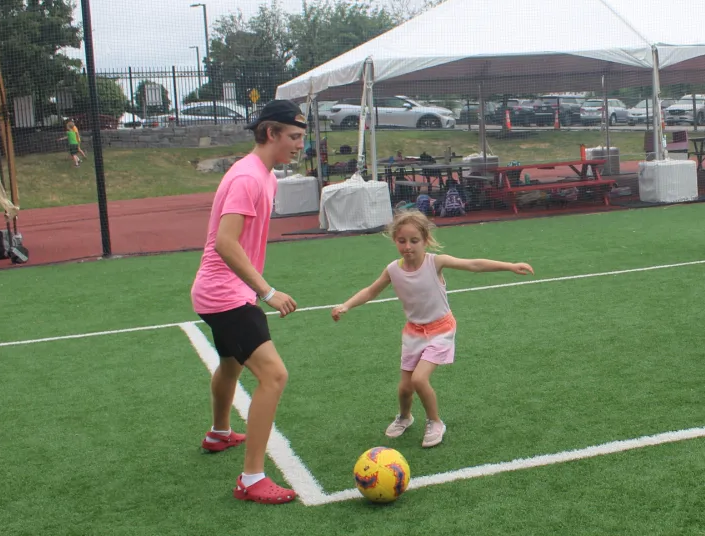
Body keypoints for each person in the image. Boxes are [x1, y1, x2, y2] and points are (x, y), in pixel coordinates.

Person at [332, 211, 533, 448]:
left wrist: (510, 266)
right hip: (413, 332)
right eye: (402, 241)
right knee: (405, 388)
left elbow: (474, 265)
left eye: (414, 241)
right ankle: (405, 417)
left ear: (425, 240)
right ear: (395, 240)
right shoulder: (393, 270)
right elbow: (371, 291)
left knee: (419, 379)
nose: (408, 247)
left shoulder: (435, 262)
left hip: (441, 330)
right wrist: (346, 305)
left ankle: (435, 421)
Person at [190, 100, 307, 504]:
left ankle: (219, 433)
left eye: (302, 138)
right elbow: (225, 243)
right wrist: (267, 291)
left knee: (229, 362)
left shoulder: (266, 176)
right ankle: (252, 479)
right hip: (225, 295)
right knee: (274, 376)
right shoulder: (247, 178)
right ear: (270, 133)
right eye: (294, 137)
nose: (299, 145)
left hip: (221, 293)